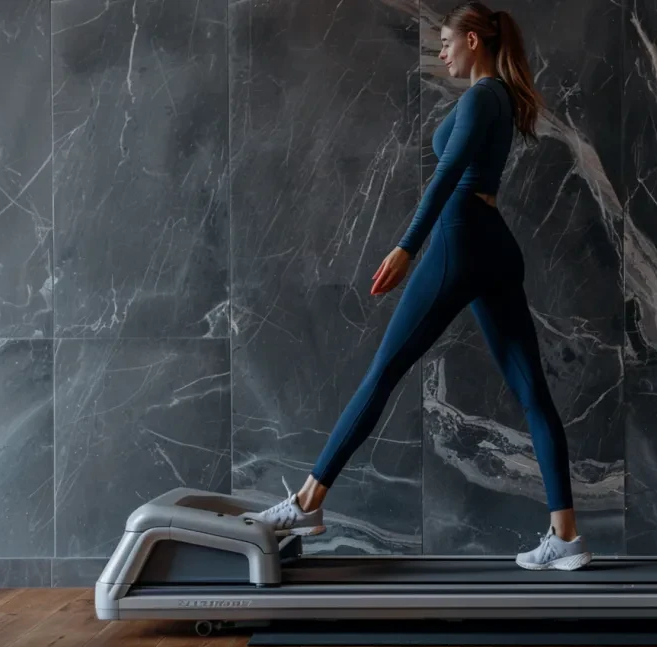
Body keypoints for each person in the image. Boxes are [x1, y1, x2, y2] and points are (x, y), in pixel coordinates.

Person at [244, 2, 591, 571]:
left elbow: (447, 176)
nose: (441, 53)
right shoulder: (501, 98)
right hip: (495, 246)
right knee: (533, 394)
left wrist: (407, 247)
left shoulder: (482, 97)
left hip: (462, 239)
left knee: (383, 372)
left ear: (474, 40)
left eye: (447, 42)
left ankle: (308, 502)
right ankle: (567, 539)